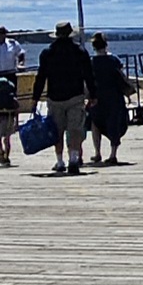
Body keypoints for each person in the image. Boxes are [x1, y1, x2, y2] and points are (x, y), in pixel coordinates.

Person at [33, 22, 94, 175]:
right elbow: (89, 76)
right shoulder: (80, 52)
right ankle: (73, 159)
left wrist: (35, 98)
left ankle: (60, 161)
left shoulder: (47, 53)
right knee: (75, 129)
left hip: (55, 98)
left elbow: (41, 77)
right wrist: (93, 94)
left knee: (57, 131)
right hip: (75, 96)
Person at [86, 32, 131, 166]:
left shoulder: (92, 62)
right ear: (106, 44)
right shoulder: (114, 60)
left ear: (93, 46)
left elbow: (89, 81)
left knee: (96, 124)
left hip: (98, 97)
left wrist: (88, 97)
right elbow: (121, 77)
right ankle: (113, 154)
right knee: (114, 123)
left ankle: (97, 152)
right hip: (114, 96)